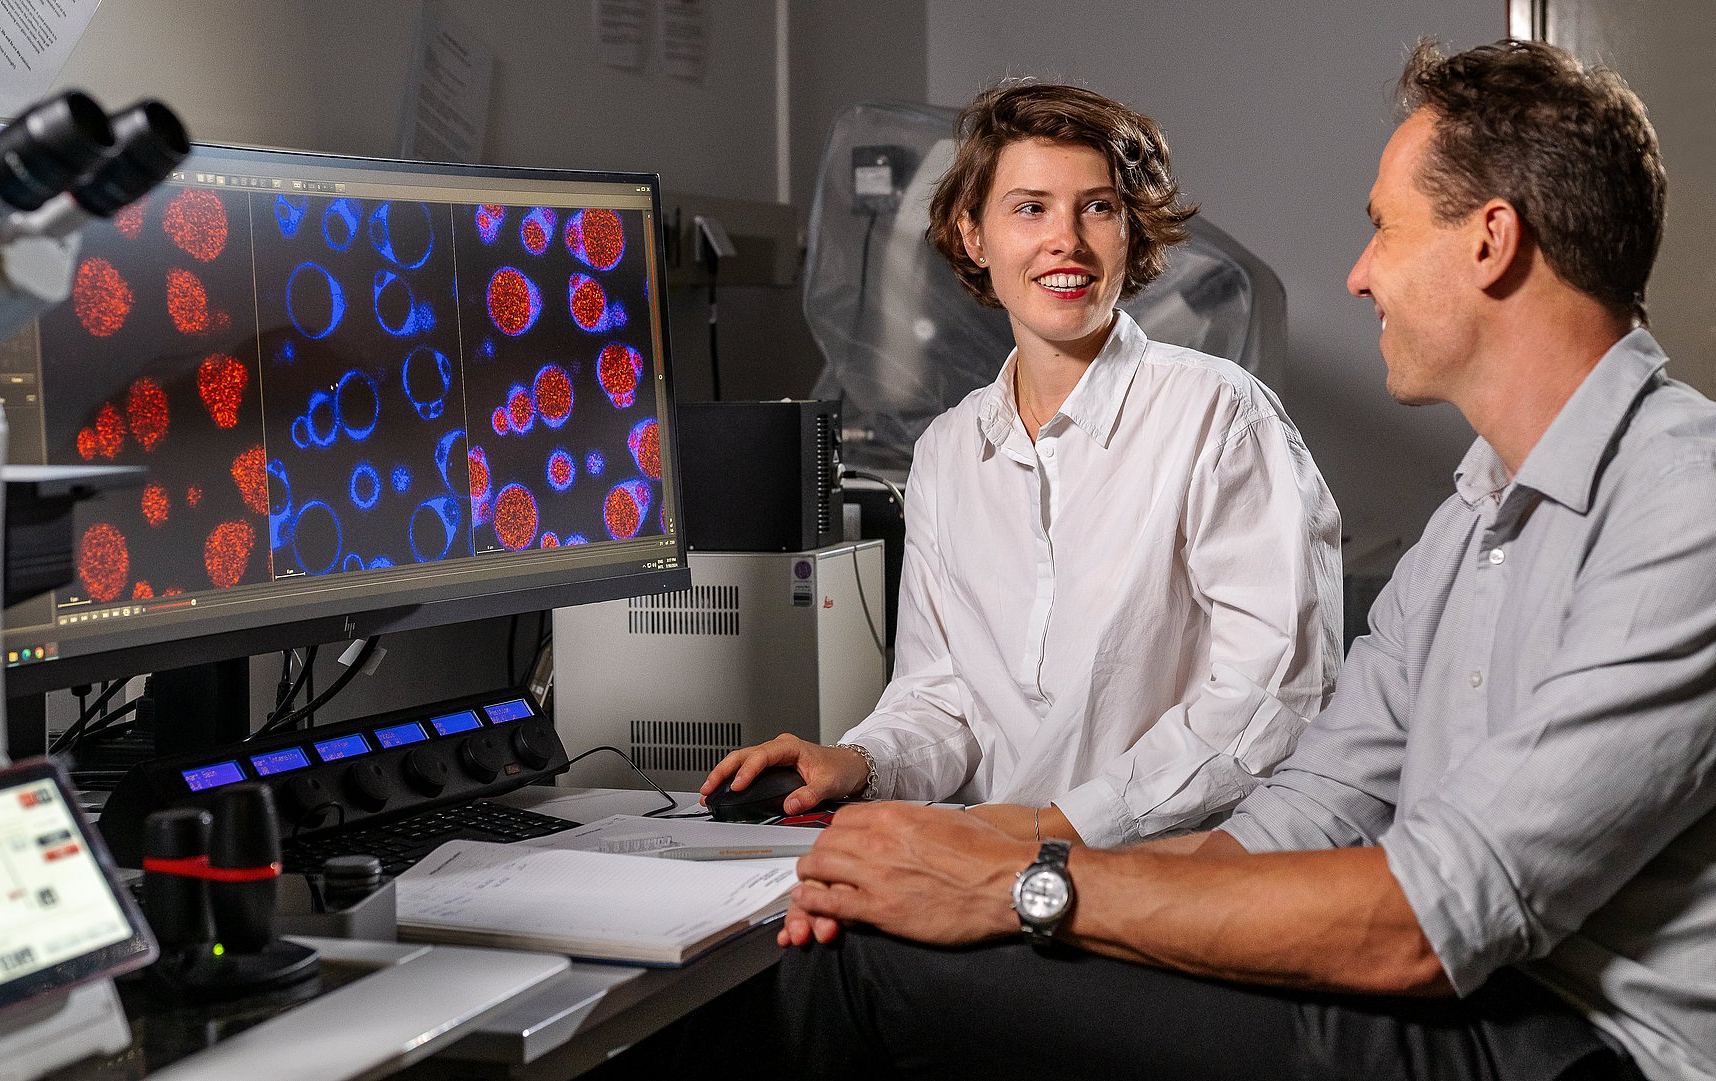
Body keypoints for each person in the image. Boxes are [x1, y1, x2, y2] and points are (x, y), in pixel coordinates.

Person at [776, 38, 1712, 1081]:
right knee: (867, 935)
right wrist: (990, 864)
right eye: (1028, 208)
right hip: (1470, 991)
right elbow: (1303, 813)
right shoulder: (1470, 520)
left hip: (1582, 1045)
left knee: (865, 974)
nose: (1358, 275)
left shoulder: (1688, 506)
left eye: (1383, 230)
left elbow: (1433, 910)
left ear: (1491, 241)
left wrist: (1021, 883)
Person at [701, 83, 1342, 848]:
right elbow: (943, 700)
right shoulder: (949, 453)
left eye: (1097, 207)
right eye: (1030, 208)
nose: (1065, 240)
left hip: (1170, 867)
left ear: (1131, 232)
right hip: (997, 860)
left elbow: (1275, 693)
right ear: (974, 235)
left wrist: (1058, 825)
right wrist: (857, 761)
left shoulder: (1219, 415)